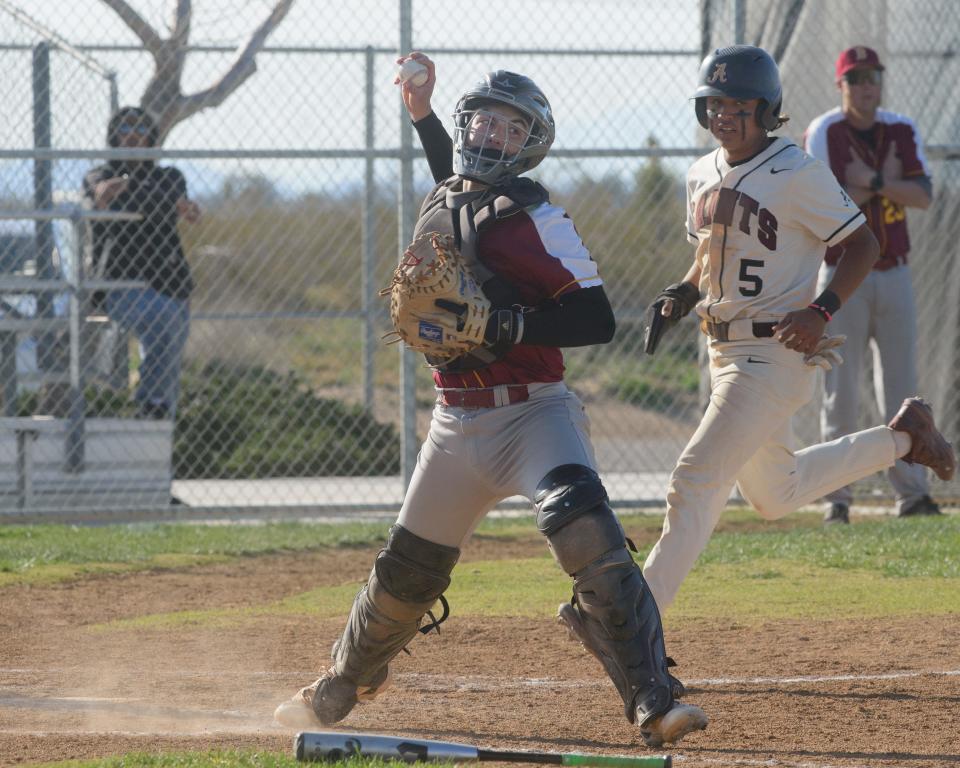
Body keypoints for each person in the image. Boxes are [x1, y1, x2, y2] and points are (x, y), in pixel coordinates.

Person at [274, 55, 709, 748]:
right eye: (481, 119)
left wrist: (506, 325)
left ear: (531, 143)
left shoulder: (535, 216)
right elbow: (454, 179)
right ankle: (345, 679)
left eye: (510, 127)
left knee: (584, 531)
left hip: (534, 411)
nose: (490, 134)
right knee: (405, 573)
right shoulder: (444, 195)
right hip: (456, 419)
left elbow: (595, 319)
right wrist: (420, 111)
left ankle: (654, 698)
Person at [639, 45, 955, 614]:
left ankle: (635, 620)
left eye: (739, 104)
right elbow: (709, 256)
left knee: (695, 478)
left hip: (774, 352)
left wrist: (823, 309)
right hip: (723, 351)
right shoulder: (699, 173)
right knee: (775, 493)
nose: (724, 115)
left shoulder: (797, 171)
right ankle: (907, 438)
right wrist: (686, 290)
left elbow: (864, 243)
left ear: (767, 109)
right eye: (714, 103)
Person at [804, 46, 940, 524]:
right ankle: (837, 500)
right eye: (856, 77)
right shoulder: (825, 130)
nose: (866, 85)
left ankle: (912, 495)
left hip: (895, 269)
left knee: (903, 392)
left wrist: (874, 180)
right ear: (840, 84)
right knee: (839, 393)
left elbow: (922, 194)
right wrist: (889, 183)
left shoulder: (900, 127)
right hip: (843, 277)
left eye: (873, 76)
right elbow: (828, 199)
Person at [84, 106, 200, 420]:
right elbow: (123, 198)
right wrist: (159, 200)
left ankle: (161, 417)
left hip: (170, 280)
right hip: (120, 283)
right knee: (162, 320)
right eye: (124, 129)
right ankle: (152, 405)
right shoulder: (98, 175)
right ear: (114, 138)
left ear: (151, 138)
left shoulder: (170, 175)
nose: (132, 135)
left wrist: (131, 189)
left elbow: (162, 205)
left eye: (140, 130)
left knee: (169, 349)